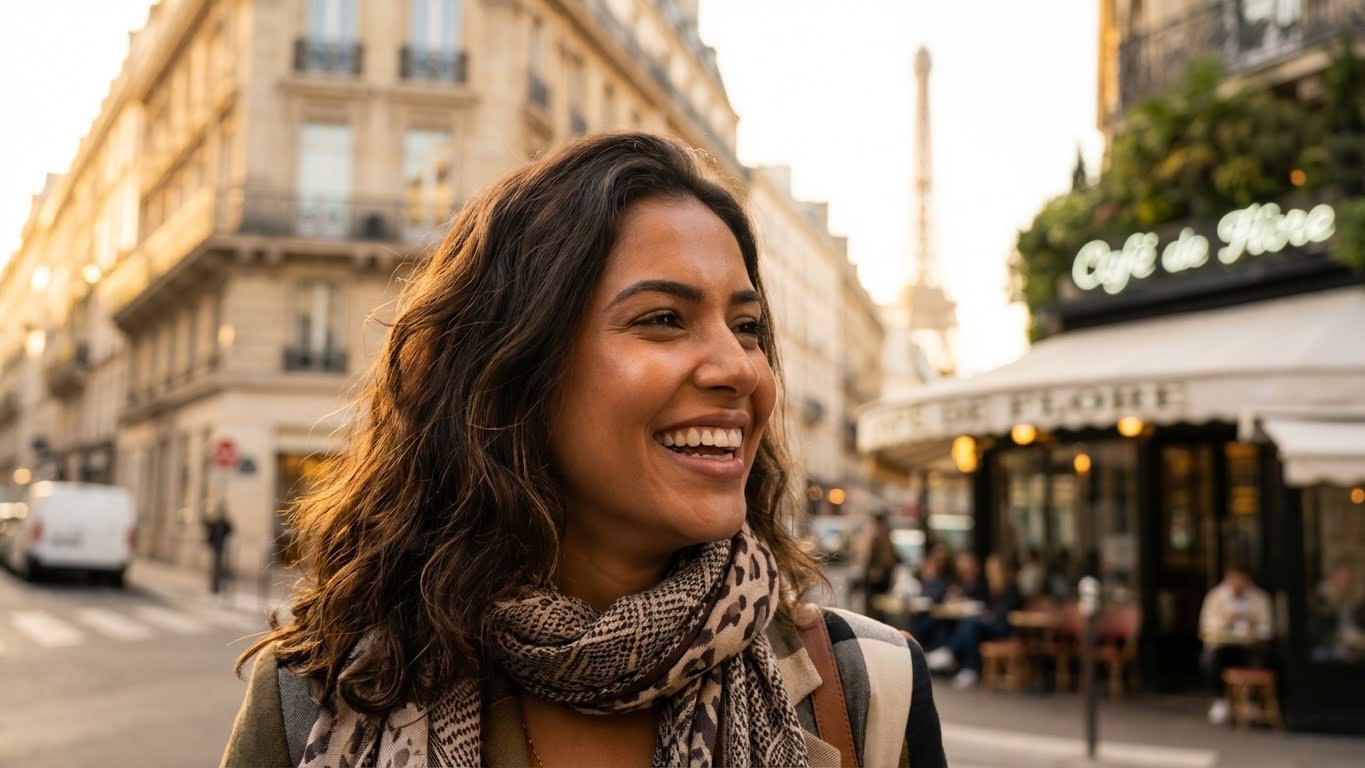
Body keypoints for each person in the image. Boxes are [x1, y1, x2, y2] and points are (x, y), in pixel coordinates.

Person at [220, 132, 946, 767]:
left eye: (748, 326)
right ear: (514, 370)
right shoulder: (314, 697)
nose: (741, 368)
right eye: (664, 319)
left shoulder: (867, 687)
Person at [1199, 563, 1273, 725]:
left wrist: (1250, 621)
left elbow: (1267, 629)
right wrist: (1225, 620)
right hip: (1222, 645)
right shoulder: (1216, 597)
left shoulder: (1259, 598)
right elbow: (1206, 627)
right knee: (1212, 659)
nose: (1237, 583)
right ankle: (1220, 700)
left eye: (1241, 579)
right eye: (1233, 579)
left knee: (1257, 658)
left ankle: (1251, 702)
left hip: (1250, 646)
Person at [1310, 558, 1365, 662]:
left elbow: (1352, 627)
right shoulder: (1321, 598)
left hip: (1347, 648)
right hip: (1326, 648)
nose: (1345, 582)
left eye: (1349, 579)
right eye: (1342, 577)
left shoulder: (1349, 600)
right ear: (1333, 575)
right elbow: (1319, 633)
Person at [858, 511, 901, 621]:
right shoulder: (888, 537)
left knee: (873, 613)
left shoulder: (876, 538)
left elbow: (867, 561)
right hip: (884, 580)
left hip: (875, 582)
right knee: (881, 613)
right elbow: (896, 560)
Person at [203, 502, 233, 596]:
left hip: (221, 547)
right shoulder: (216, 521)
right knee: (215, 567)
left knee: (218, 567)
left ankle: (216, 588)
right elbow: (206, 524)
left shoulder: (224, 522)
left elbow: (230, 531)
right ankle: (214, 587)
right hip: (215, 546)